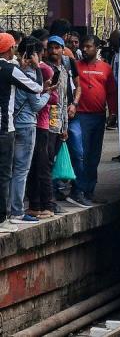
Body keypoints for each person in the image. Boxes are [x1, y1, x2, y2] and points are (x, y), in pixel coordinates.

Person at [0, 33, 44, 233]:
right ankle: (5, 216)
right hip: (5, 128)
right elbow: (36, 88)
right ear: (9, 49)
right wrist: (35, 67)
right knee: (8, 173)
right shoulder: (10, 69)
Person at [68, 35, 117, 208]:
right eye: (84, 46)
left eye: (89, 46)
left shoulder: (106, 68)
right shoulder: (75, 66)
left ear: (97, 48)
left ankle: (90, 190)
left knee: (94, 155)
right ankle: (78, 190)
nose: (86, 49)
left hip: (98, 117)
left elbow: (111, 92)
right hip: (80, 116)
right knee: (81, 154)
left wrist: (113, 111)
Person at [11, 38, 50, 224]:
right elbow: (36, 104)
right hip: (26, 125)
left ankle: (9, 208)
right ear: (35, 54)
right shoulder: (29, 75)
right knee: (21, 170)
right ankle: (17, 210)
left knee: (10, 170)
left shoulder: (14, 70)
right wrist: (49, 94)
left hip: (13, 124)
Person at [45, 36, 78, 208]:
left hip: (59, 123)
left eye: (57, 47)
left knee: (52, 160)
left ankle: (51, 199)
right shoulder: (45, 69)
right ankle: (48, 201)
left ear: (63, 49)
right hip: (46, 123)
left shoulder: (64, 70)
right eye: (51, 47)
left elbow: (64, 100)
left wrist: (64, 126)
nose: (53, 51)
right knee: (47, 161)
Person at [26, 60, 57, 219]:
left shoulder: (43, 69)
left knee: (42, 166)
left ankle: (48, 205)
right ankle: (35, 206)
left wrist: (45, 91)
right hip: (35, 125)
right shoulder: (26, 69)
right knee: (33, 168)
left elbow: (54, 98)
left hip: (41, 125)